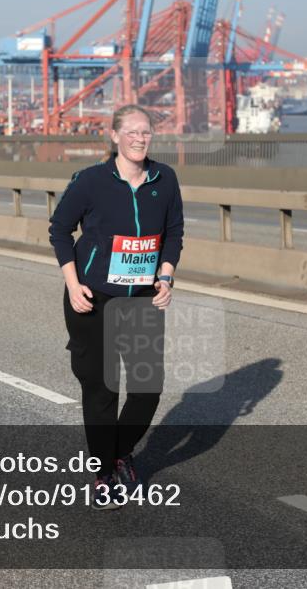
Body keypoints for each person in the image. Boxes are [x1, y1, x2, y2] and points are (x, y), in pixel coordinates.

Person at [49, 104, 184, 510]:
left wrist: (166, 276)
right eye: (132, 132)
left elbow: (174, 232)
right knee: (102, 389)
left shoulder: (165, 179)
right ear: (114, 136)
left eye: (146, 133)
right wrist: (73, 285)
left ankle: (119, 453)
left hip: (141, 298)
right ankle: (104, 474)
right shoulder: (91, 181)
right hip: (93, 297)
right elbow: (59, 230)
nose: (140, 139)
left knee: (147, 389)